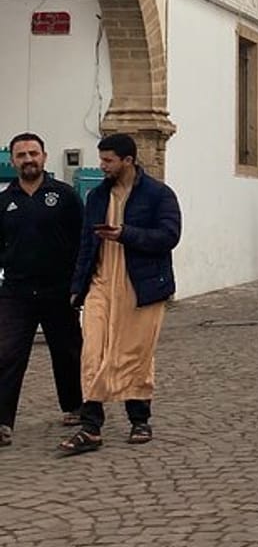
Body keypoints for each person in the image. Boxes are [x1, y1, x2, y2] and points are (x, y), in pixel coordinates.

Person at [58, 134, 181, 455]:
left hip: (141, 286)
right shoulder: (98, 196)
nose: (103, 166)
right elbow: (87, 244)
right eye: (102, 160)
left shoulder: (159, 195)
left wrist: (125, 234)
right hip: (100, 284)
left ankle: (139, 419)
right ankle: (91, 426)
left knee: (132, 354)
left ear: (128, 161)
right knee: (92, 353)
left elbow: (169, 236)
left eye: (109, 161)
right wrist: (76, 287)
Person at [0, 133, 84, 449]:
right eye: (21, 155)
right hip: (16, 291)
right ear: (12, 161)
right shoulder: (4, 201)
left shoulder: (64, 196)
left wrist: (80, 284)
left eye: (33, 153)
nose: (28, 159)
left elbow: (83, 241)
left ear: (45, 157)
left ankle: (75, 407)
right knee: (7, 354)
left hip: (59, 289)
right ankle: (2, 422)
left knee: (67, 351)